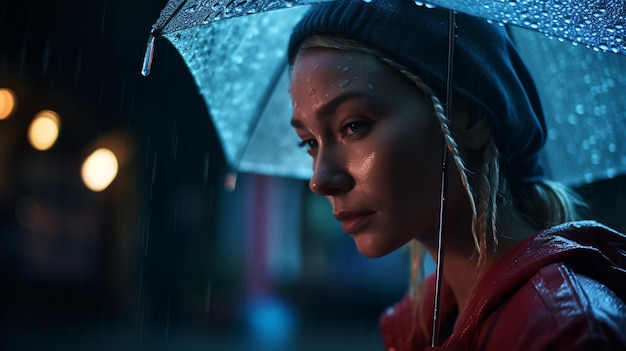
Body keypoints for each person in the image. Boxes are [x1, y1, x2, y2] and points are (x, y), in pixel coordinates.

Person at [286, 0, 626, 350]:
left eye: (354, 126)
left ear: (470, 117)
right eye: (309, 142)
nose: (320, 179)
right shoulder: (417, 328)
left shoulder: (566, 332)